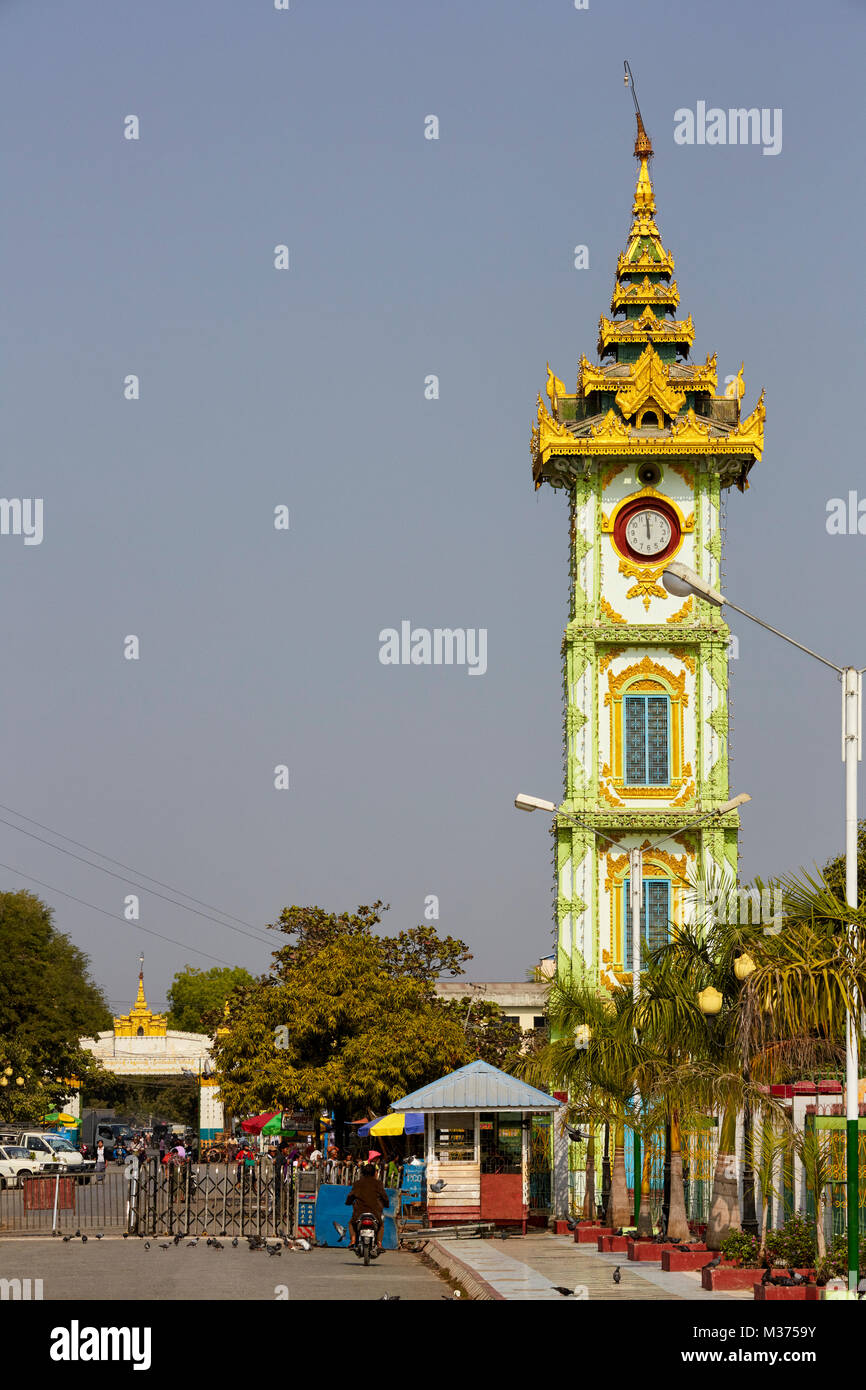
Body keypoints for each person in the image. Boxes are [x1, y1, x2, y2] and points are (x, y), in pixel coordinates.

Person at [345, 1162, 389, 1252]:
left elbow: (351, 1196)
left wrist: (348, 1202)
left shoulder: (357, 1183)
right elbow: (384, 1197)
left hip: (359, 1213)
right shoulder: (378, 1183)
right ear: (374, 1173)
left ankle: (353, 1240)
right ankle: (379, 1243)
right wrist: (386, 1204)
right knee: (381, 1225)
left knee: (351, 1223)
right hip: (375, 1213)